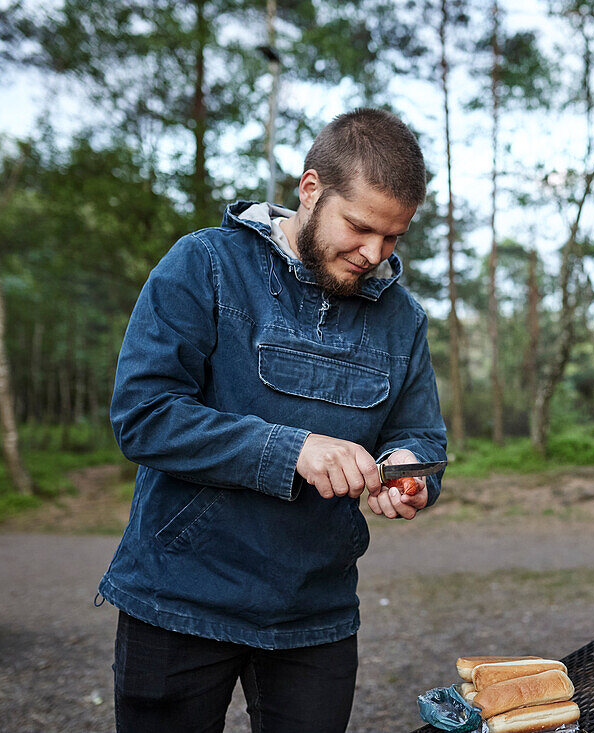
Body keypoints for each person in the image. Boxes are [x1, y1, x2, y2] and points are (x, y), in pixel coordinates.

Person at [97, 108, 448, 732]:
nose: (374, 253)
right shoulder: (203, 264)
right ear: (311, 189)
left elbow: (418, 435)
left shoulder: (404, 319)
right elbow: (145, 416)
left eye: (394, 238)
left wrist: (411, 474)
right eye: (361, 227)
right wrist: (293, 451)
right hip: (178, 597)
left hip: (314, 613)